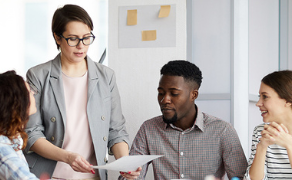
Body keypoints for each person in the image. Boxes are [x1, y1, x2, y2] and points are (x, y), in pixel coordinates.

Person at [24, 4, 140, 180]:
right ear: (57, 37)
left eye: (86, 38)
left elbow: (116, 130)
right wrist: (68, 157)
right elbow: (32, 133)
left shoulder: (106, 76)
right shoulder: (38, 75)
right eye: (73, 39)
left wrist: (126, 164)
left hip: (93, 176)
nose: (81, 46)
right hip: (49, 175)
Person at [120, 60, 248, 180]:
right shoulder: (149, 129)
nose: (165, 100)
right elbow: (131, 174)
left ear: (194, 95)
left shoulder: (223, 131)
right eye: (161, 93)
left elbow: (241, 177)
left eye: (174, 94)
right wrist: (129, 175)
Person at [245, 70, 292, 179]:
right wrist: (261, 148)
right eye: (259, 97)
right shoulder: (261, 132)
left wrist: (291, 145)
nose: (258, 103)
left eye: (265, 96)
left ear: (288, 100)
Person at [0, 70, 38, 179]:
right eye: (30, 91)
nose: (34, 93)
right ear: (17, 102)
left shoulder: (12, 138)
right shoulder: (2, 148)